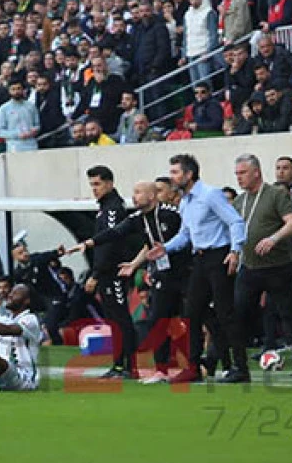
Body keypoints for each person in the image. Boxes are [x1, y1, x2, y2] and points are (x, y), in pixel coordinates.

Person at [69, 181, 187, 383]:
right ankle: (161, 369)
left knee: (195, 317)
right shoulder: (138, 218)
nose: (134, 196)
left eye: (138, 192)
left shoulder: (171, 214)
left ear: (152, 196)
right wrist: (89, 243)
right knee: (157, 320)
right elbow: (117, 233)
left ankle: (205, 364)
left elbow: (187, 234)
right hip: (163, 274)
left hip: (186, 272)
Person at [146, 154, 248, 384]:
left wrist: (235, 250)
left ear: (189, 174)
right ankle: (193, 366)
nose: (172, 177)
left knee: (225, 312)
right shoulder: (185, 202)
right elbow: (185, 234)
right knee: (191, 312)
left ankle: (240, 367)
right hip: (200, 258)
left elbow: (235, 221)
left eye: (175, 172)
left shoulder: (210, 195)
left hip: (219, 255)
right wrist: (165, 249)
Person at [229, 153, 292, 380]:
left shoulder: (275, 194)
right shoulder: (239, 201)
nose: (239, 178)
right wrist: (234, 252)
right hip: (250, 267)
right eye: (237, 174)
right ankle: (239, 367)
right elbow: (235, 231)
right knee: (237, 315)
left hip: (278, 267)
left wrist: (274, 239)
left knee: (290, 314)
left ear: (256, 172)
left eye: (243, 173)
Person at [78, 166, 136, 378]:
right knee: (113, 320)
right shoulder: (104, 208)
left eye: (98, 184)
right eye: (92, 185)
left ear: (110, 184)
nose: (94, 189)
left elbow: (110, 243)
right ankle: (119, 365)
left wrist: (96, 274)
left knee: (121, 319)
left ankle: (129, 366)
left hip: (114, 273)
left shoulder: (113, 209)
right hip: (107, 274)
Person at [0, 78, 40, 153]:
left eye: (18, 88)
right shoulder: (3, 109)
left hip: (32, 145)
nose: (16, 92)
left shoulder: (31, 106)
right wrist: (17, 135)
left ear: (23, 90)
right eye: (13, 89)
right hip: (14, 146)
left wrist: (34, 130)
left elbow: (37, 124)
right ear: (9, 91)